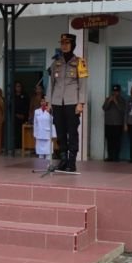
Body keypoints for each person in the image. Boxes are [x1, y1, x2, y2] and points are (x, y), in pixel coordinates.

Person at [48, 33, 89, 172]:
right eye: (62, 43)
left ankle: (72, 161)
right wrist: (49, 102)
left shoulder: (80, 62)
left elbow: (83, 84)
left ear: (73, 45)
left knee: (72, 132)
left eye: (67, 43)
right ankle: (63, 159)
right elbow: (51, 84)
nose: (64, 46)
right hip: (57, 102)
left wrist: (81, 103)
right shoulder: (55, 63)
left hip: (72, 102)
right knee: (60, 132)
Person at [102, 84, 126, 161]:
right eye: (113, 91)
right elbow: (104, 108)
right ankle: (110, 156)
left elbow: (122, 110)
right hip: (109, 124)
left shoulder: (122, 100)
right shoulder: (108, 99)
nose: (115, 93)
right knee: (109, 141)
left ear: (119, 92)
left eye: (116, 91)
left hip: (118, 124)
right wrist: (109, 101)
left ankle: (116, 157)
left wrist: (116, 102)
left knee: (117, 141)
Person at [12, 81, 29, 150]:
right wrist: (16, 114)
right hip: (15, 118)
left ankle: (23, 146)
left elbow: (27, 106)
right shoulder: (13, 96)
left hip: (23, 117)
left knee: (22, 133)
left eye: (19, 86)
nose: (18, 88)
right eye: (17, 86)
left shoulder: (25, 96)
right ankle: (15, 147)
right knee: (15, 132)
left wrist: (24, 115)